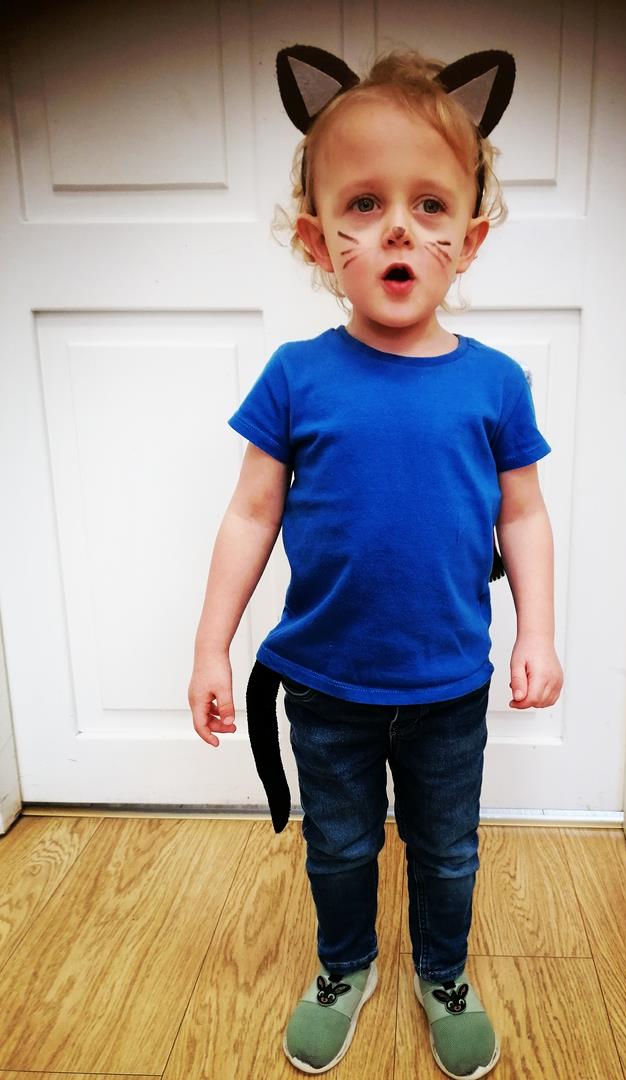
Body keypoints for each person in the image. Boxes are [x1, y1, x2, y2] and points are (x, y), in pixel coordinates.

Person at [189, 44, 563, 1079]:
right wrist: (213, 647)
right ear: (318, 239)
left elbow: (525, 516)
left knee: (447, 850)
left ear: (468, 241)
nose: (399, 226)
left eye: (429, 204)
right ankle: (343, 965)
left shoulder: (496, 383)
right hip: (325, 686)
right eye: (365, 202)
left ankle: (444, 973)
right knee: (341, 846)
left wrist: (537, 632)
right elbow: (249, 513)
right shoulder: (296, 376)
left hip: (448, 686)